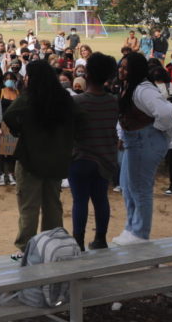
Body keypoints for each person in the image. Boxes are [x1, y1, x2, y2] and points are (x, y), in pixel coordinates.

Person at [4, 60, 80, 257]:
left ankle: (25, 248)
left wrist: (21, 129)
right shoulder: (64, 97)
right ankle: (52, 246)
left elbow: (10, 115)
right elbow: (79, 118)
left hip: (30, 159)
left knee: (29, 206)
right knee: (53, 205)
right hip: (56, 160)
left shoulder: (29, 97)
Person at [113, 52, 172, 244]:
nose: (121, 70)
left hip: (146, 140)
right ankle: (131, 227)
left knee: (140, 188)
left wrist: (154, 131)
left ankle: (140, 233)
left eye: (125, 67)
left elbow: (166, 111)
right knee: (126, 185)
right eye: (120, 66)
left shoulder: (143, 89)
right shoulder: (128, 86)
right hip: (132, 140)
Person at [69, 53, 119, 251]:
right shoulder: (113, 101)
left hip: (81, 158)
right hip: (105, 158)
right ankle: (100, 239)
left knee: (80, 200)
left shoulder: (78, 102)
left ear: (87, 74)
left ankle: (78, 243)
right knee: (101, 199)